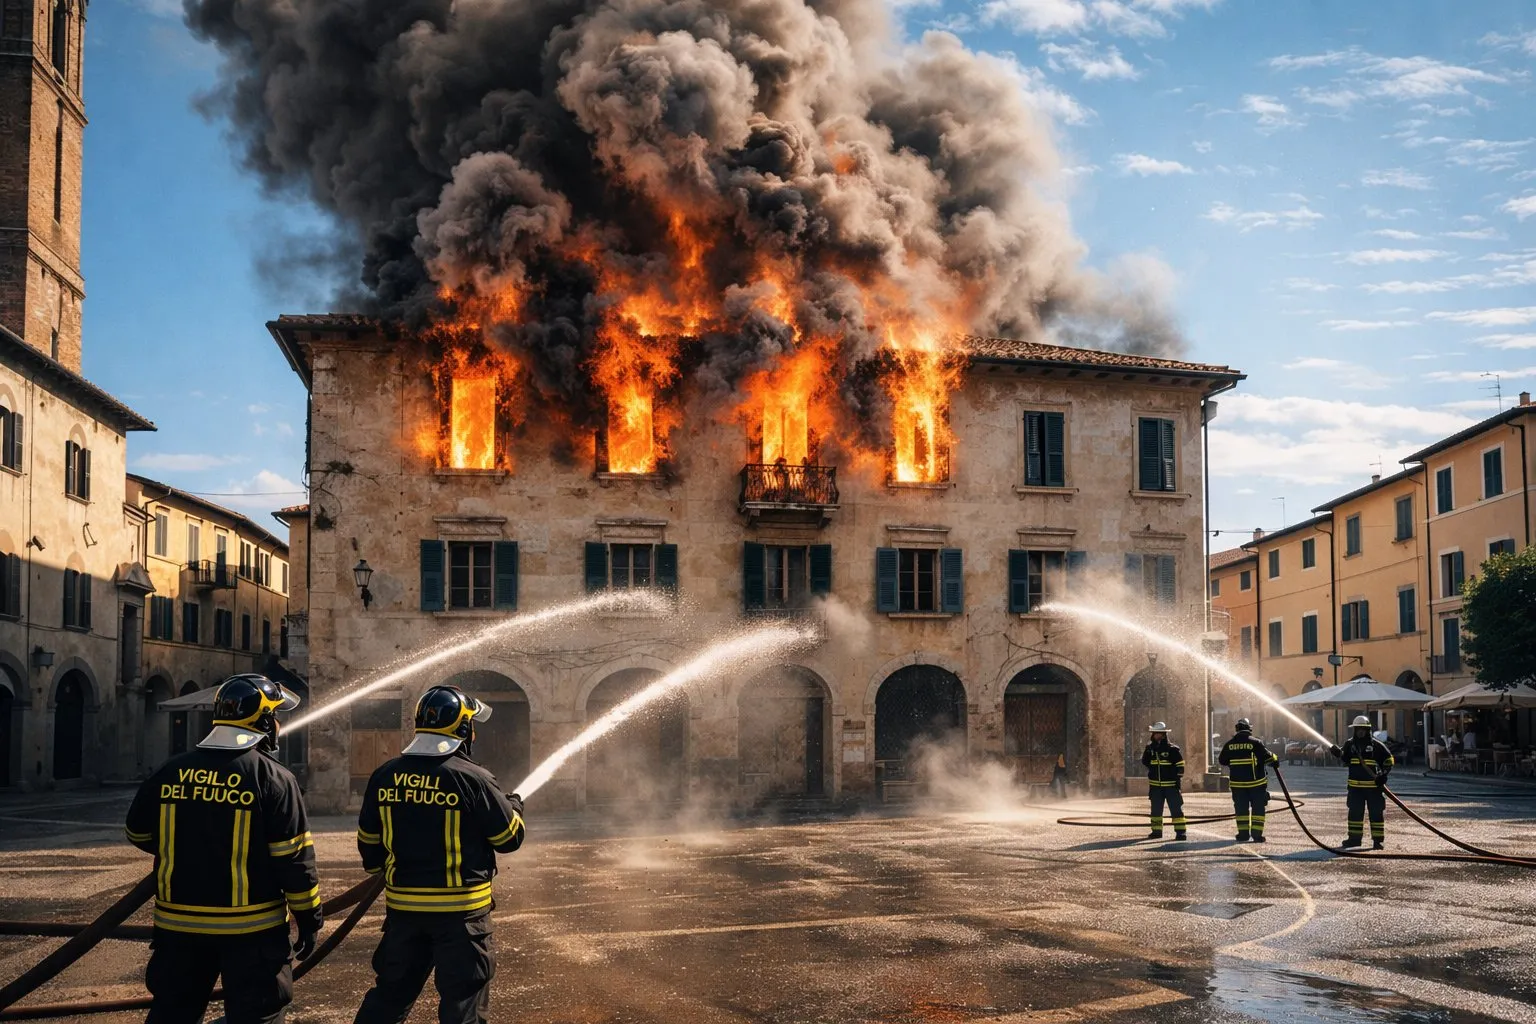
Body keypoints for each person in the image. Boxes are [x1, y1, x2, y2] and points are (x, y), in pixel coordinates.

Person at [124, 674, 321, 1024]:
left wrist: (186, 848)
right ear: (262, 721)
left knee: (172, 1015)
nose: (278, 724)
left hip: (178, 929)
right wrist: (309, 919)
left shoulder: (172, 770)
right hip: (251, 933)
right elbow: (293, 860)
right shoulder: (274, 779)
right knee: (257, 1015)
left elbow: (137, 832)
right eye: (275, 716)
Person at [353, 685, 527, 1024]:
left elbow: (369, 847)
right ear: (463, 730)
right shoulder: (474, 778)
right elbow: (508, 838)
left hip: (403, 917)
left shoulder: (385, 775)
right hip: (461, 922)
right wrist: (514, 806)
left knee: (388, 999)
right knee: (462, 1004)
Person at [1330, 715, 1394, 849]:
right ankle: (1354, 839)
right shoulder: (1349, 744)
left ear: (1368, 730)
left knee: (1376, 813)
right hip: (1355, 788)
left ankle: (1378, 840)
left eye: (1363, 729)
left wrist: (1384, 774)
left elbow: (1389, 759)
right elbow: (1344, 758)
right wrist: (1337, 753)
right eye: (1358, 729)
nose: (1360, 731)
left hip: (1374, 788)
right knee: (1355, 814)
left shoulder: (1376, 745)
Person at [1218, 718, 1278, 843]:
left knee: (1241, 810)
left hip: (1237, 785)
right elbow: (1268, 758)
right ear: (1249, 728)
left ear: (1237, 729)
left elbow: (1222, 760)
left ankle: (1243, 834)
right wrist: (1275, 759)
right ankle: (1257, 835)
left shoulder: (1229, 744)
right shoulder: (1256, 743)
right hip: (1257, 784)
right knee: (1258, 809)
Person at [1141, 722, 1186, 840]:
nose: (1156, 735)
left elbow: (1180, 766)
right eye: (1154, 733)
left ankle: (1180, 832)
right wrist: (1148, 751)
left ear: (1164, 734)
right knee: (1156, 811)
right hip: (1156, 787)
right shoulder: (1150, 749)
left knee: (1176, 810)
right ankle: (1156, 832)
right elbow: (1144, 761)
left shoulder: (1172, 749)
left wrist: (1176, 779)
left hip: (1171, 786)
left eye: (1158, 733)